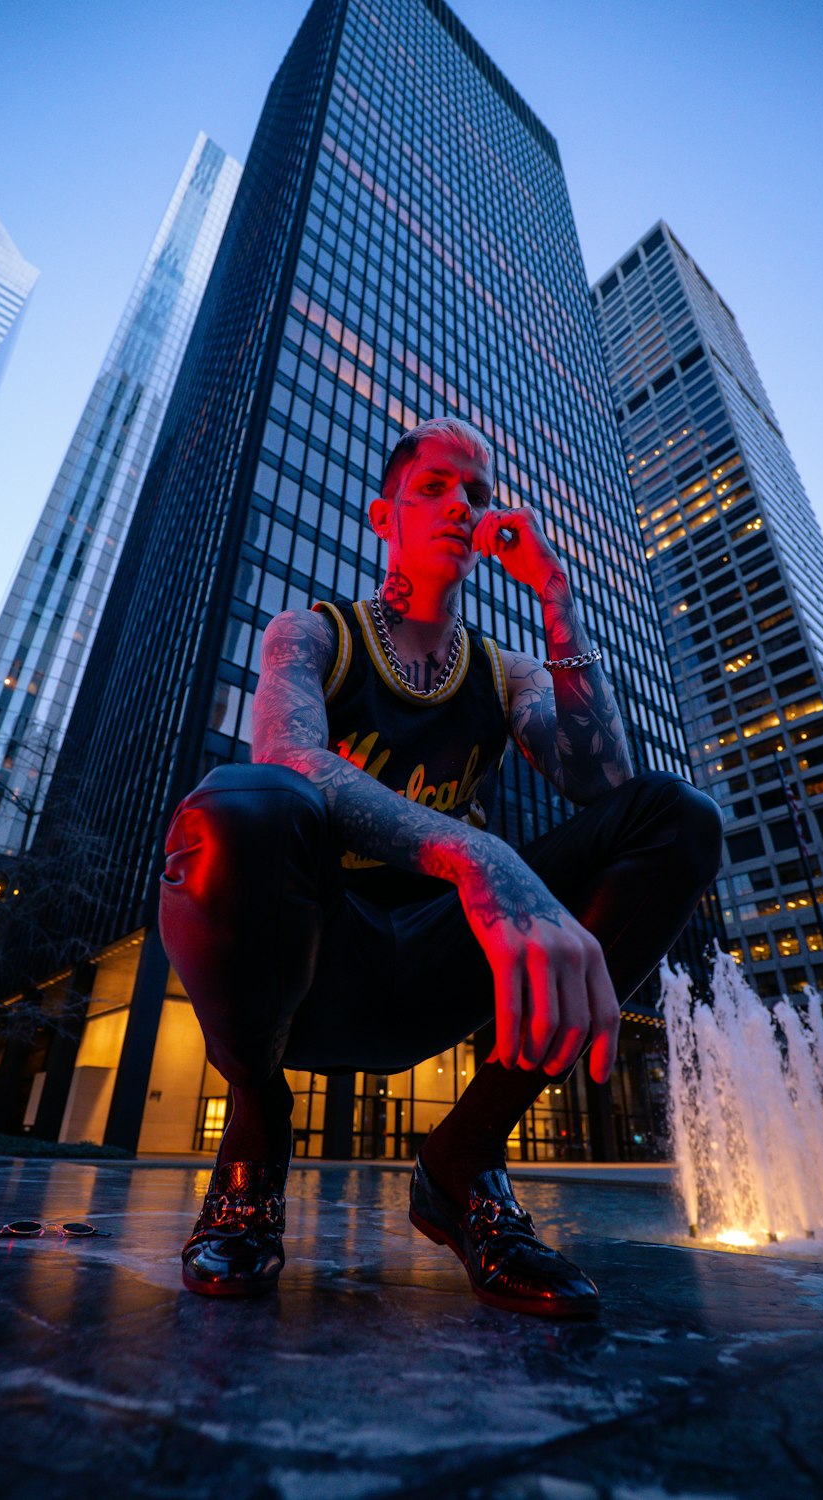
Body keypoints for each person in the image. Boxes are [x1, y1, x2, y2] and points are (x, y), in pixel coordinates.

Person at [159, 416, 723, 1317]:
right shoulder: (310, 635)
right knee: (241, 805)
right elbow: (289, 757)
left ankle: (461, 1165)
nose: (462, 504)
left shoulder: (503, 674)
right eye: (435, 487)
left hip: (438, 964)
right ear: (385, 516)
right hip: (312, 967)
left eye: (478, 493)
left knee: (679, 819)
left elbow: (606, 783)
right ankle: (255, 1137)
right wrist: (473, 851)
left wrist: (558, 596)